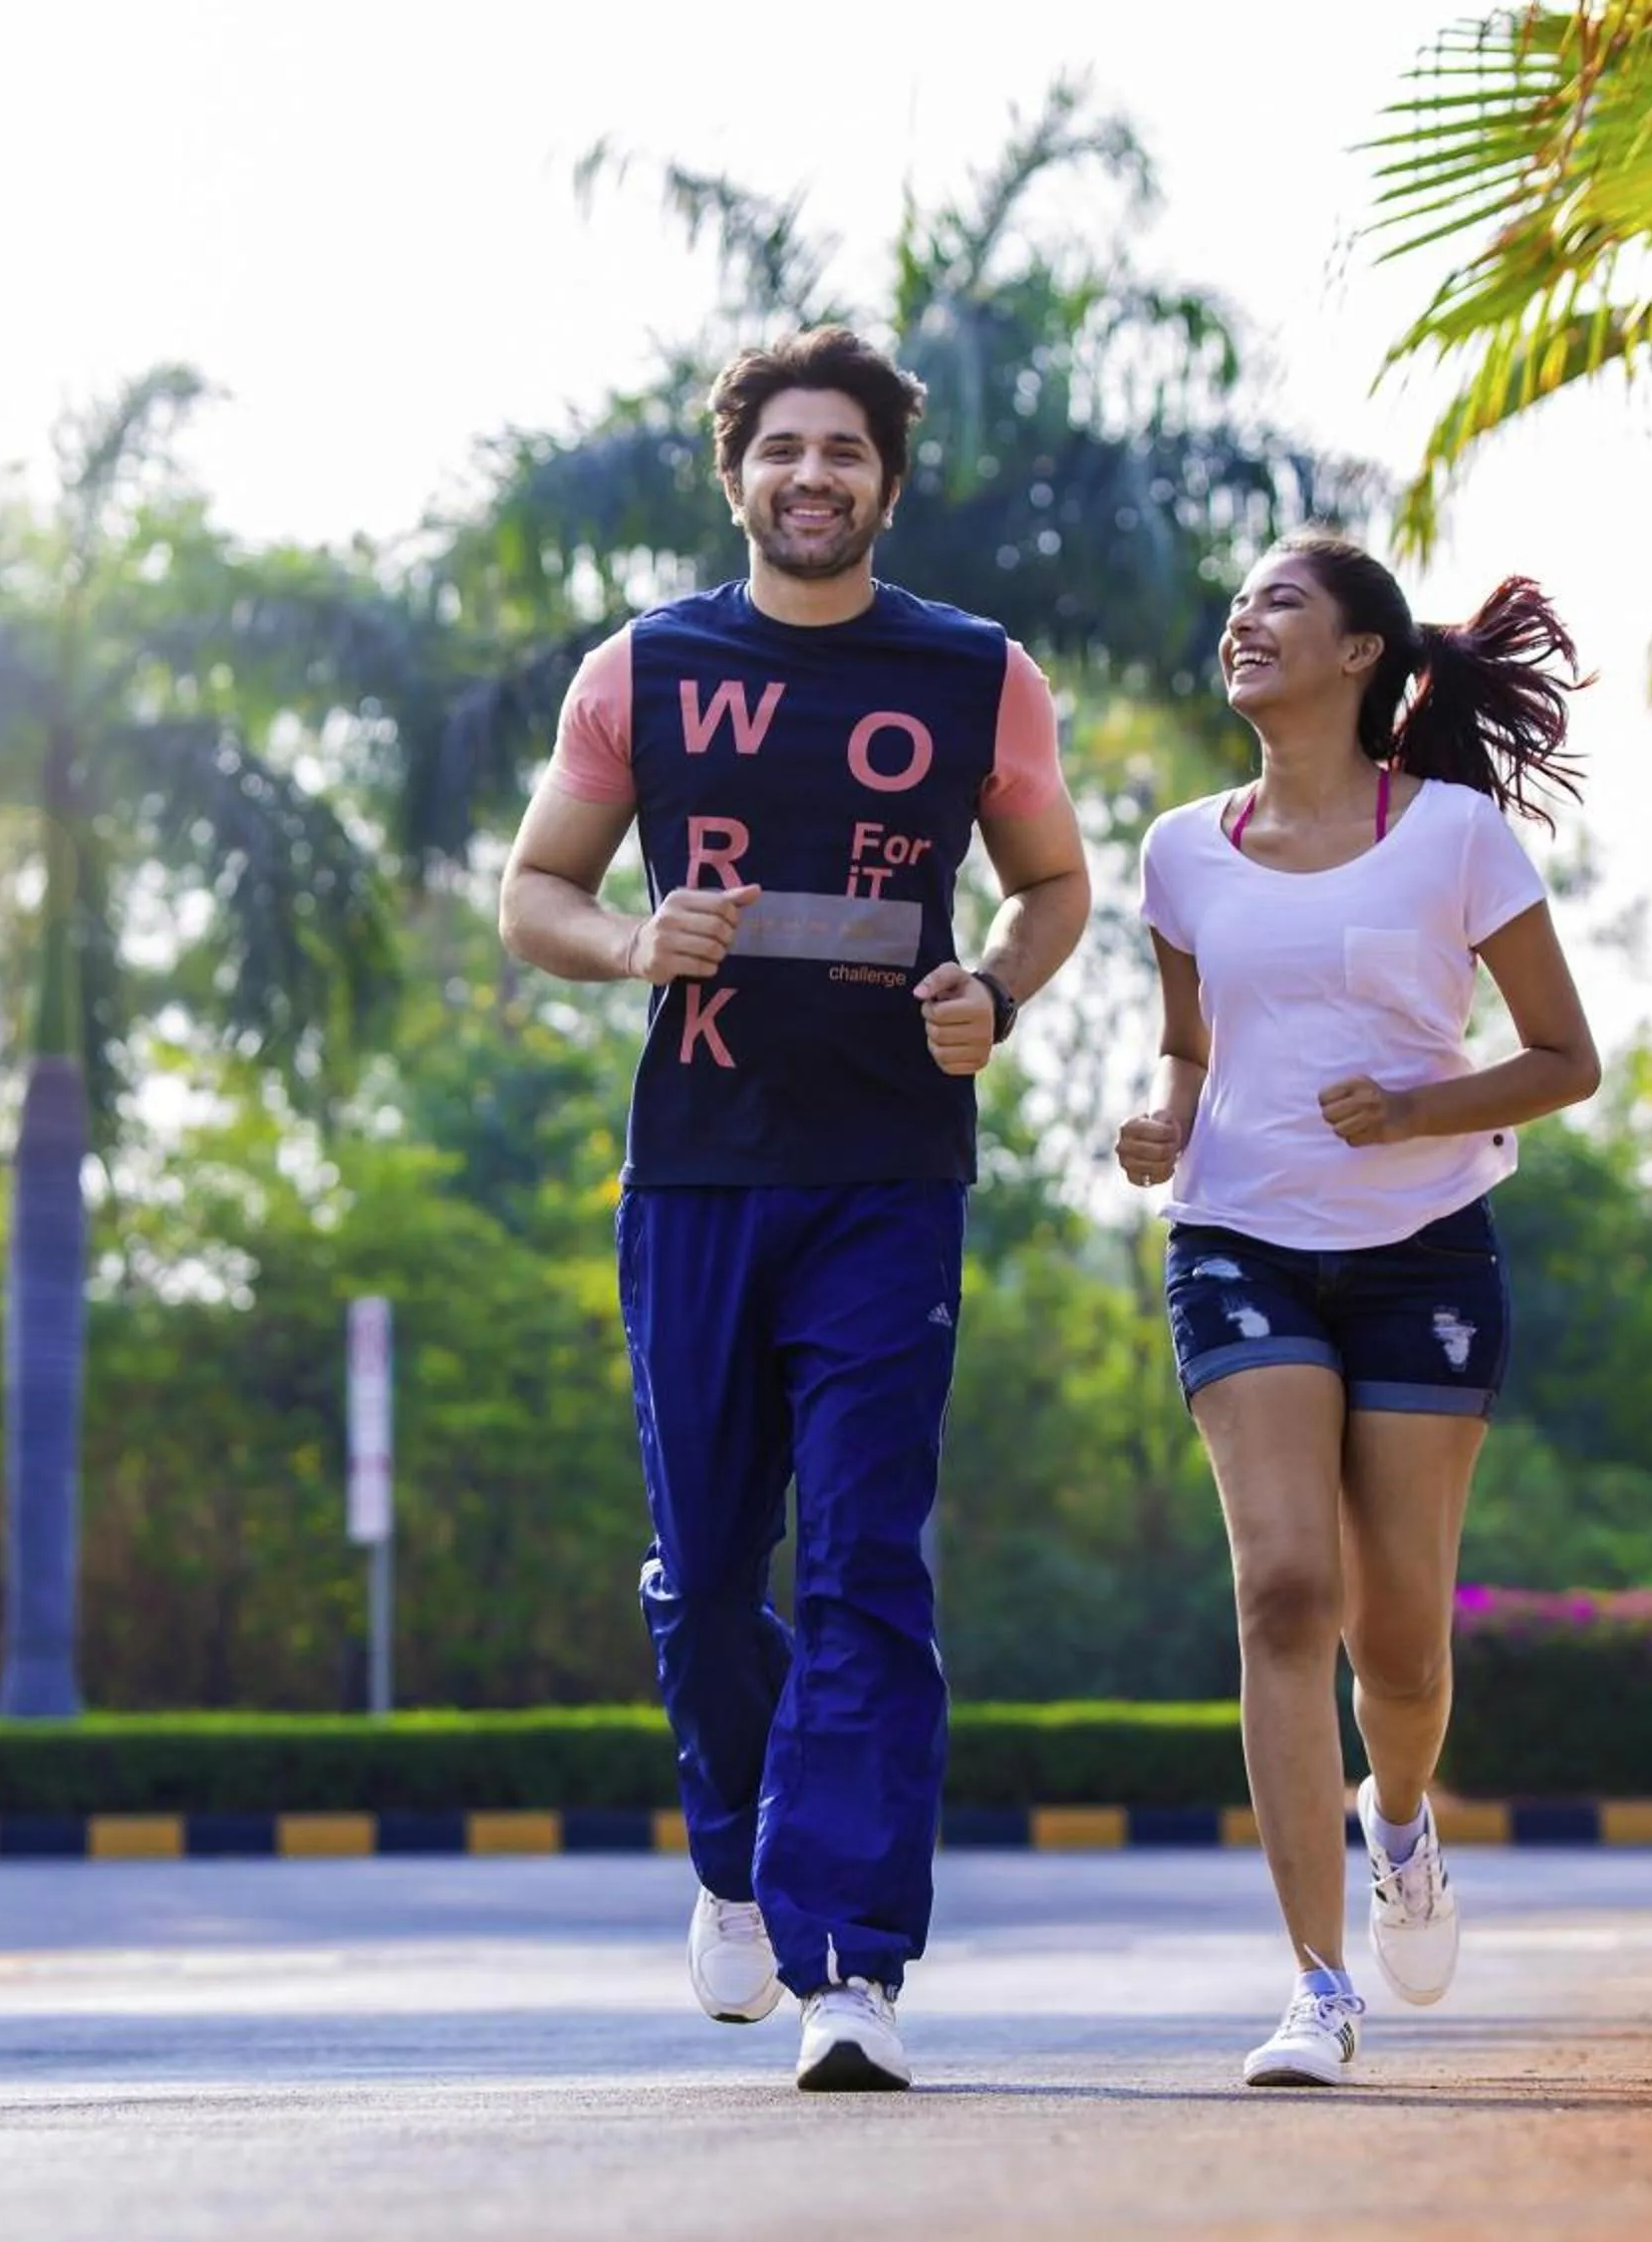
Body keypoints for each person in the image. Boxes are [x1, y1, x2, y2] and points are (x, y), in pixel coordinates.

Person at [497, 325, 1088, 2092]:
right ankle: (735, 1856)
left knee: (863, 1567)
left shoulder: (979, 673)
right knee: (703, 1576)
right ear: (738, 476)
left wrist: (997, 987)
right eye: (782, 449)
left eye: (844, 451)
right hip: (695, 1171)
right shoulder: (645, 668)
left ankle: (856, 1970)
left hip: (890, 1178)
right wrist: (632, 942)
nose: (812, 475)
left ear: (886, 484)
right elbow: (534, 889)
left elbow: (1052, 884)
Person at [1114, 532, 1601, 2087]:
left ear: (1360, 653)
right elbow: (1191, 1044)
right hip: (1238, 1238)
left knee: (1399, 1643)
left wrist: (1414, 1106)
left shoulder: (1453, 834)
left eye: (1281, 602)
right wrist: (1163, 1116)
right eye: (1237, 604)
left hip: (1423, 1251)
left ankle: (1401, 1824)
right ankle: (1317, 1985)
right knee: (1283, 1592)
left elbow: (1566, 1057)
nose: (1244, 622)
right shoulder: (1182, 851)